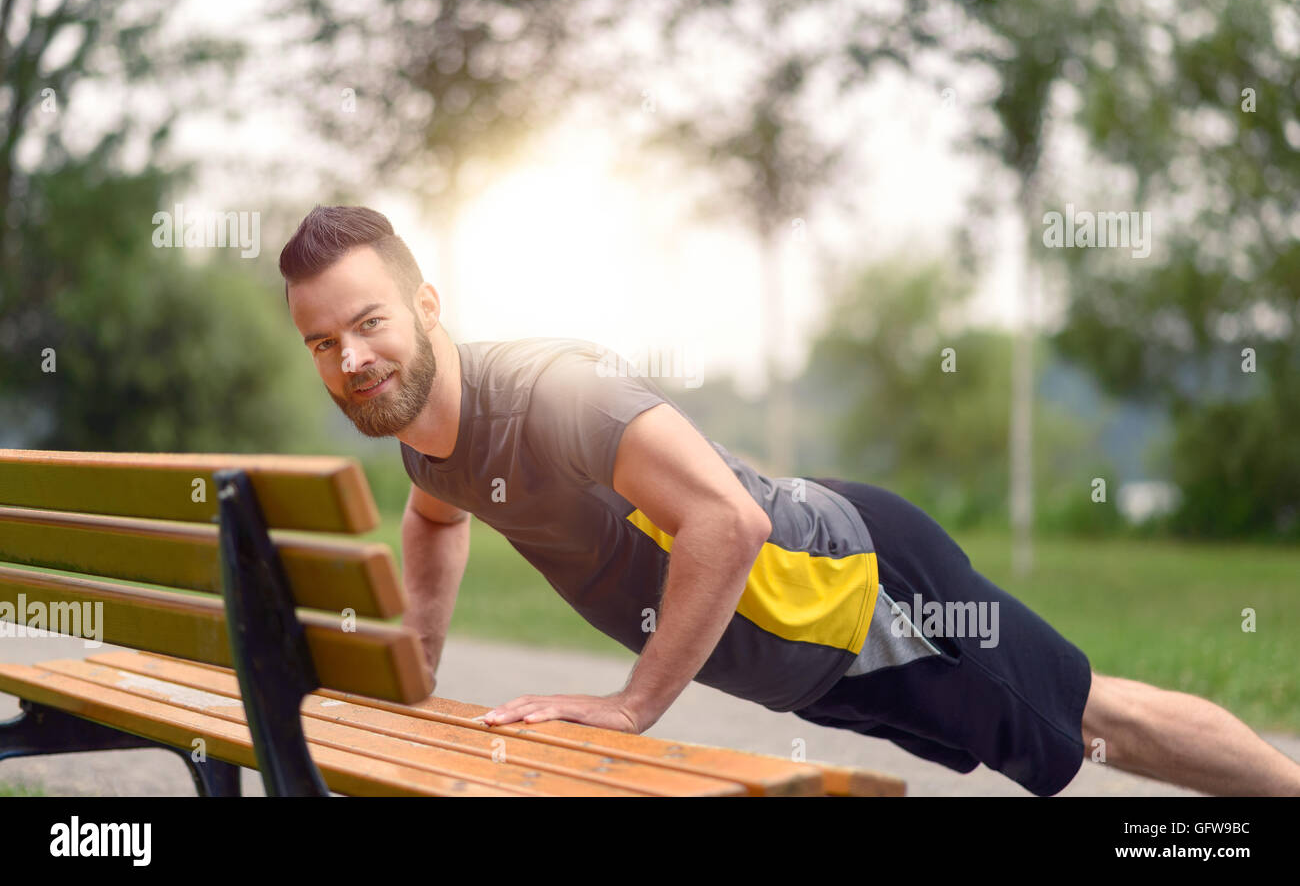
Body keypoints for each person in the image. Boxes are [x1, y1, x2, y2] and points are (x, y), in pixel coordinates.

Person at [279, 204, 1300, 797]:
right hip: (806, 666)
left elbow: (730, 520)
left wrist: (632, 706)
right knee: (1071, 721)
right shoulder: (427, 444)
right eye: (323, 342)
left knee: (1089, 714)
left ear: (425, 305)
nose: (351, 358)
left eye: (367, 323)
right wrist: (414, 658)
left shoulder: (550, 390)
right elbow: (434, 517)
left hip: (852, 589)